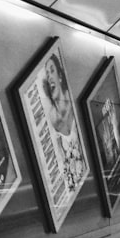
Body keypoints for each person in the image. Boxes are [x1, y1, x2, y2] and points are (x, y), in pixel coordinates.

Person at [40, 54, 85, 191]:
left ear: (60, 76)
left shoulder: (74, 105)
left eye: (52, 70)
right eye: (47, 74)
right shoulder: (50, 119)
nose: (49, 77)